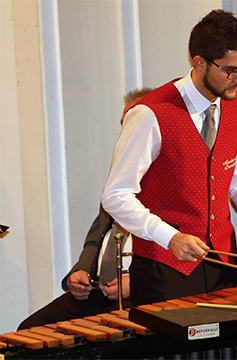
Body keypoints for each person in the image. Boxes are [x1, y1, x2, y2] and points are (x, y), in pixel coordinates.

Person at [101, 9, 237, 307]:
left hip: (224, 262)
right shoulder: (150, 114)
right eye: (230, 70)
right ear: (199, 63)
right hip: (165, 268)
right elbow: (116, 195)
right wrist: (170, 237)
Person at [17, 88, 153, 330]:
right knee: (30, 329)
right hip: (96, 291)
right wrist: (80, 270)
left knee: (105, 342)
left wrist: (137, 282)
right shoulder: (118, 176)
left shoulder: (170, 181)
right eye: (124, 124)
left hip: (138, 294)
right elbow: (96, 241)